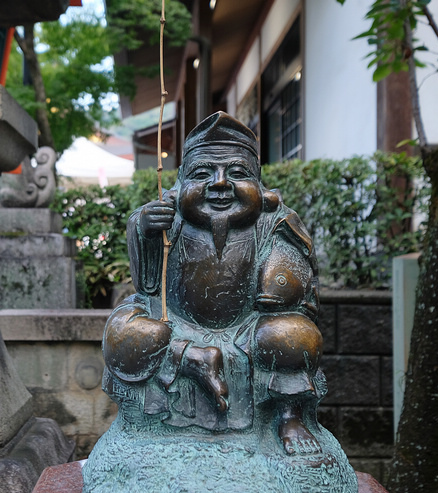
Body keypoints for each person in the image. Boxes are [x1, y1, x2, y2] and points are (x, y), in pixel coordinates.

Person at [102, 112, 323, 455]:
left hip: (247, 329)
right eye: (202, 173)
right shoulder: (168, 218)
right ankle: (191, 357)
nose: (220, 184)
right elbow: (147, 287)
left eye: (237, 174)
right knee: (123, 330)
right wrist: (145, 228)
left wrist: (282, 277)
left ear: (261, 188)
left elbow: (291, 281)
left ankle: (289, 415)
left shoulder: (272, 222)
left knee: (292, 335)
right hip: (175, 323)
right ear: (180, 186)